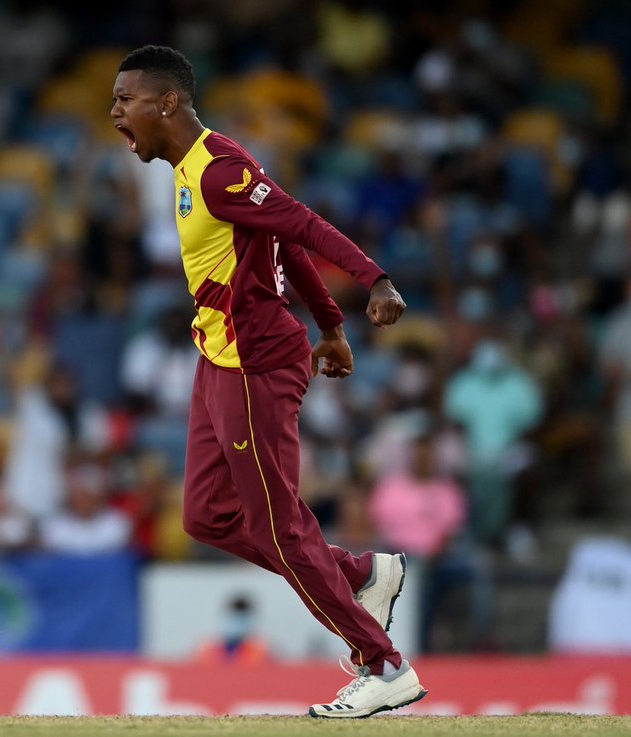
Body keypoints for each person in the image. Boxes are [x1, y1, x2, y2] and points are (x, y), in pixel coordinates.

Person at [111, 46, 425, 718]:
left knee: (280, 525)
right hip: (217, 357)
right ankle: (362, 573)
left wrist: (374, 279)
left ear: (165, 102)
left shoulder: (221, 170)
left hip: (254, 363)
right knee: (205, 514)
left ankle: (384, 664)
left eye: (123, 100)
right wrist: (332, 326)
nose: (114, 114)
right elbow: (276, 244)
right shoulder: (191, 168)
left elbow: (301, 224)